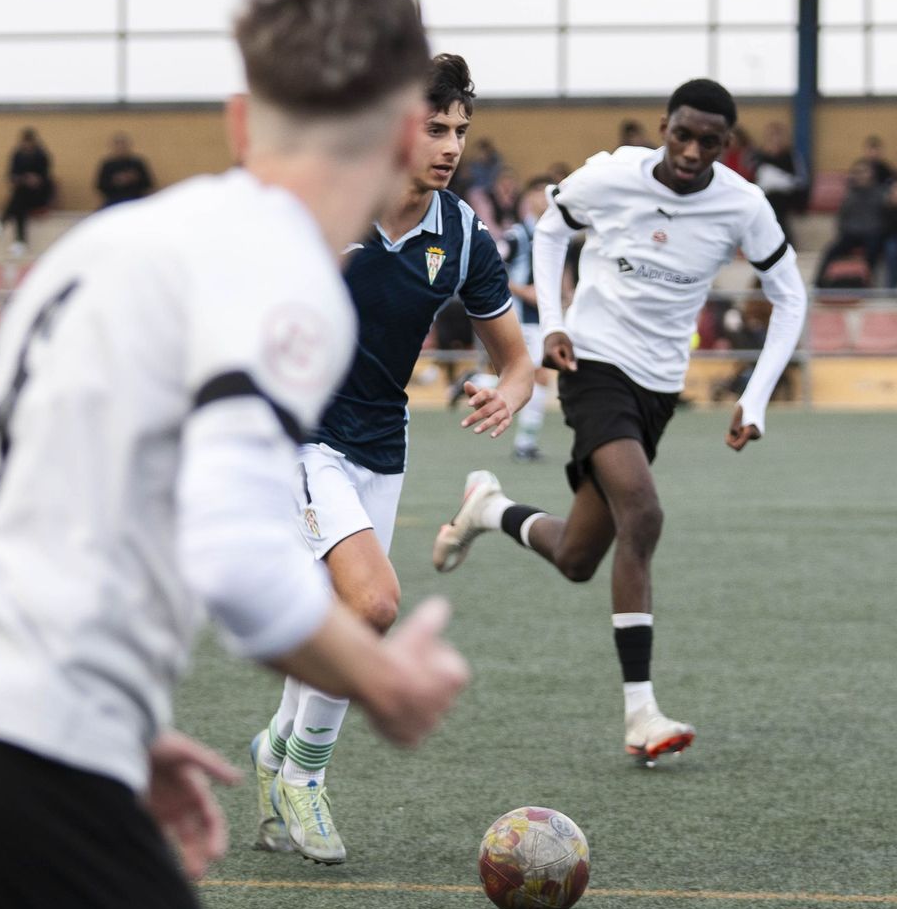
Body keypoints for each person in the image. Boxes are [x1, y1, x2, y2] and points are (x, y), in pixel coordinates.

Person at [0, 0, 467, 909]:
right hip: (19, 778)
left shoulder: (108, 244)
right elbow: (235, 552)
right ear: (408, 131)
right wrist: (381, 683)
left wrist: (123, 725)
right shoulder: (288, 273)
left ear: (237, 119)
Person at [432, 78, 808, 765]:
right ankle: (641, 713)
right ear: (664, 127)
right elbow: (550, 229)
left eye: (710, 142)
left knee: (578, 558)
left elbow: (789, 295)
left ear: (730, 146)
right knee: (644, 512)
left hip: (658, 388)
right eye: (682, 135)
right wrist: (552, 324)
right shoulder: (609, 177)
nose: (693, 151)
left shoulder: (743, 205)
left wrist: (755, 398)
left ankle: (488, 510)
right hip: (593, 365)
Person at [247, 53, 533, 866]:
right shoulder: (326, 208)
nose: (449, 146)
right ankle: (304, 775)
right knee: (373, 607)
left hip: (383, 442)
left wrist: (510, 391)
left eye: (461, 132)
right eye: (435, 129)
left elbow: (514, 358)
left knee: (341, 617)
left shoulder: (464, 233)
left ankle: (275, 748)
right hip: (300, 436)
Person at [502, 173, 559, 461]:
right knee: (534, 376)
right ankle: (524, 443)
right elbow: (491, 266)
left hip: (544, 318)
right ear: (528, 199)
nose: (542, 200)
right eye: (537, 193)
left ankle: (525, 444)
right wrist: (523, 291)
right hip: (521, 317)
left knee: (540, 378)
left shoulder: (553, 232)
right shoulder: (517, 235)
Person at [815, 159, 889, 287]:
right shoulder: (850, 195)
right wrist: (844, 230)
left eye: (864, 172)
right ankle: (818, 283)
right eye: (858, 172)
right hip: (851, 234)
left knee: (873, 249)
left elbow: (885, 217)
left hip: (873, 233)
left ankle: (866, 282)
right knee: (831, 251)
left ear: (872, 174)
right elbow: (842, 216)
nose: (861, 175)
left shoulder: (880, 194)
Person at [0, 127, 56, 256]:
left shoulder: (42, 156)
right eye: (24, 142)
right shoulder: (17, 155)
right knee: (20, 200)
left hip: (38, 195)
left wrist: (36, 180)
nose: (26, 145)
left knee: (20, 197)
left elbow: (46, 179)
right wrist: (19, 179)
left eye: (29, 142)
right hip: (22, 194)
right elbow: (10, 175)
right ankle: (20, 241)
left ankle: (2, 221)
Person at [752, 121, 806, 238]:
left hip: (787, 195)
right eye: (771, 137)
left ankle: (784, 240)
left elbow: (799, 180)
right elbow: (755, 176)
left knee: (775, 206)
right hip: (765, 192)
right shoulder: (760, 156)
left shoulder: (790, 156)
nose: (775, 140)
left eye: (778, 136)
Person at [95, 132, 155, 208]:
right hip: (113, 200)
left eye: (123, 145)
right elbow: (100, 185)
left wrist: (134, 179)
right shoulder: (107, 165)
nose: (121, 148)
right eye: (118, 145)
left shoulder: (137, 163)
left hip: (135, 199)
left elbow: (148, 183)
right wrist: (115, 181)